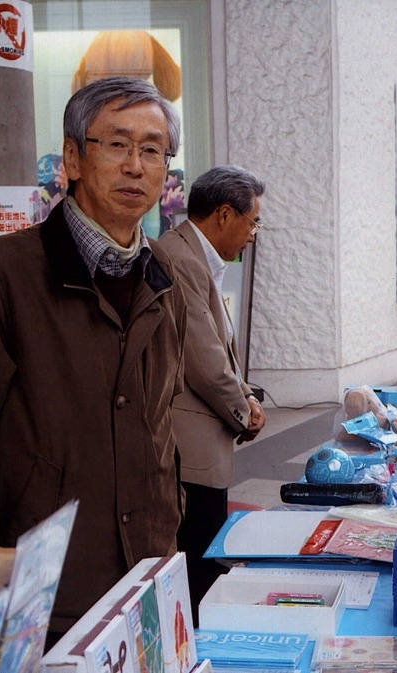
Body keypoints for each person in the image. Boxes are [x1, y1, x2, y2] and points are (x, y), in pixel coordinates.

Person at [0, 76, 188, 636]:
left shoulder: (162, 275)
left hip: (146, 577)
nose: (136, 165)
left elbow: (161, 420)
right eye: (116, 144)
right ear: (73, 158)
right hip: (45, 594)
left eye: (153, 149)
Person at [157, 164, 267, 622]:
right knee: (200, 569)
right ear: (225, 215)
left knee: (206, 559)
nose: (253, 234)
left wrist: (246, 396)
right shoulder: (179, 259)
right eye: (253, 221)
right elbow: (203, 359)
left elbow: (216, 350)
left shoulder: (192, 255)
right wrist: (245, 410)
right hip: (190, 448)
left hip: (202, 441)